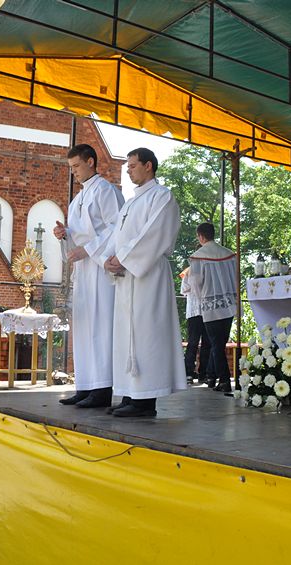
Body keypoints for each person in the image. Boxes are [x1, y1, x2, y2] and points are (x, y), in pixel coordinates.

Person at [103, 148, 186, 417]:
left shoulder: (162, 197)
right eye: (127, 166)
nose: (128, 170)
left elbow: (155, 235)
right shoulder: (130, 203)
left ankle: (145, 400)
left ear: (148, 166)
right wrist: (109, 259)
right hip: (127, 277)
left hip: (148, 275)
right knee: (127, 335)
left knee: (147, 334)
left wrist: (124, 258)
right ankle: (130, 393)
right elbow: (115, 237)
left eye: (133, 165)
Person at [54, 143, 125, 409]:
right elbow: (78, 233)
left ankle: (102, 388)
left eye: (76, 166)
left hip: (100, 267)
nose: (73, 172)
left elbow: (118, 227)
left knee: (100, 327)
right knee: (83, 329)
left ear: (91, 162)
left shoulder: (107, 191)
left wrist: (89, 249)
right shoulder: (77, 199)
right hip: (83, 270)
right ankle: (84, 384)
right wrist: (66, 236)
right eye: (71, 168)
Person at [188, 223, 238, 393]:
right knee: (220, 342)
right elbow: (237, 278)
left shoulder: (197, 256)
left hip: (211, 305)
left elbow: (195, 284)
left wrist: (202, 297)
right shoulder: (230, 254)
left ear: (201, 236)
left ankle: (223, 380)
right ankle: (215, 377)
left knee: (216, 344)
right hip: (229, 303)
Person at [180, 266, 211, 385]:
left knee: (198, 343)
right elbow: (184, 289)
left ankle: (197, 373)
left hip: (199, 311)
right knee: (197, 343)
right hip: (198, 311)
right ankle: (196, 373)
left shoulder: (191, 271)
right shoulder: (191, 271)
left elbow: (184, 290)